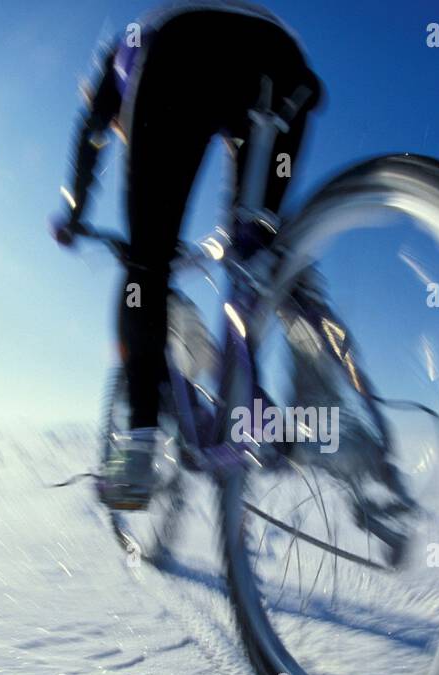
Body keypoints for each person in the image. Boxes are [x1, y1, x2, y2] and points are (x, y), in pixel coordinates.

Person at [51, 1, 323, 509]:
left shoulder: (118, 59)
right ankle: (312, 399)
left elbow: (90, 136)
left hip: (181, 52)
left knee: (146, 265)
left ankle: (137, 448)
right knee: (257, 251)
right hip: (285, 64)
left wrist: (72, 211)